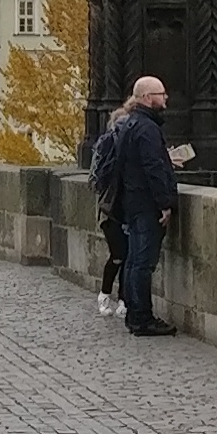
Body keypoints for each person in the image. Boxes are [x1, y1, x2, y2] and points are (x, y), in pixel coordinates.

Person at [88, 77, 189, 335]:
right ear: (146, 97)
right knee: (142, 263)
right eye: (161, 94)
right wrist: (165, 203)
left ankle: (134, 315)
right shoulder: (146, 129)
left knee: (133, 261)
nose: (165, 98)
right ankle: (142, 318)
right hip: (145, 205)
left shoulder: (130, 124)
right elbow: (152, 168)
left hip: (131, 203)